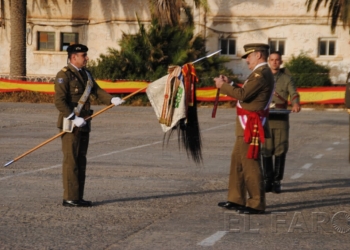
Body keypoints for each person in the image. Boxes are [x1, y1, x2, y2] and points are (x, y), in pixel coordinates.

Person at [54, 43, 124, 207]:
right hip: (70, 124)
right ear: (74, 57)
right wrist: (72, 117)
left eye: (86, 55)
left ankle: (78, 196)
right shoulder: (63, 75)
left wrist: (111, 100)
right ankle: (70, 197)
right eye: (83, 56)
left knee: (81, 160)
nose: (87, 58)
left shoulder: (86, 74)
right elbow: (59, 101)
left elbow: (97, 91)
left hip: (84, 123)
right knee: (71, 161)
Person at [214, 43, 275, 214]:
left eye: (249, 55)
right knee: (238, 161)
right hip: (246, 123)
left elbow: (243, 95)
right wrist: (231, 83)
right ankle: (236, 198)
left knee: (250, 163)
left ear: (259, 55)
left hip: (251, 124)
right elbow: (248, 91)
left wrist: (222, 86)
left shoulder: (261, 74)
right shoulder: (259, 74)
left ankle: (256, 202)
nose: (247, 59)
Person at [261, 51, 301, 194]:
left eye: (277, 60)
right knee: (265, 149)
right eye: (272, 60)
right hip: (266, 118)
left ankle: (277, 181)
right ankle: (267, 180)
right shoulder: (262, 77)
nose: (274, 62)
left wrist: (295, 103)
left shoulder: (287, 78)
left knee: (280, 149)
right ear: (268, 61)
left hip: (281, 118)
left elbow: (294, 93)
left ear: (281, 62)